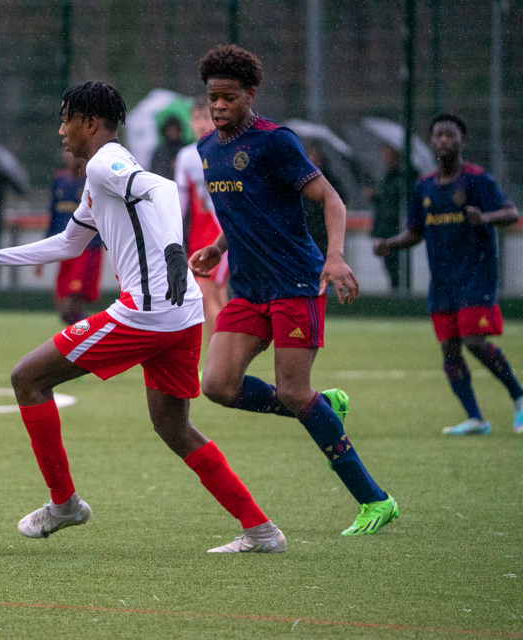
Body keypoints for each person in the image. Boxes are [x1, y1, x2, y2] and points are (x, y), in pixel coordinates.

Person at [0, 80, 287, 554]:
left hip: (145, 312)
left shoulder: (106, 162)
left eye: (66, 120)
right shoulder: (98, 179)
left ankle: (64, 504)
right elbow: (68, 243)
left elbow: (160, 191)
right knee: (174, 428)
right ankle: (261, 530)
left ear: (90, 123)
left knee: (28, 379)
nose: (61, 131)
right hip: (180, 315)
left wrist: (173, 250)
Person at [189, 45, 398, 536]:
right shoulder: (207, 149)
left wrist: (336, 255)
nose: (218, 106)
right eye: (212, 97)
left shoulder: (275, 142)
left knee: (292, 391)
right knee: (217, 385)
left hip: (295, 283)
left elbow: (331, 199)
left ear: (250, 95)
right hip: (249, 286)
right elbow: (243, 210)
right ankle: (319, 403)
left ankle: (375, 500)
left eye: (227, 97)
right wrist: (219, 247)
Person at [374, 113, 522, 435]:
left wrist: (484, 217)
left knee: (474, 340)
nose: (443, 140)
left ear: (461, 141)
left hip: (476, 276)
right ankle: (475, 418)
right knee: (450, 350)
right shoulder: (424, 186)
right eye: (438, 135)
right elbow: (415, 232)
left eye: (449, 135)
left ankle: (518, 396)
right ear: (430, 142)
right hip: (442, 282)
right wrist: (389, 244)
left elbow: (511, 213)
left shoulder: (476, 179)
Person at [173, 95, 227, 345]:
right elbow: (180, 205)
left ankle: (220, 363)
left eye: (206, 117)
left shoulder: (225, 150)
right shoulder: (186, 156)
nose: (201, 123)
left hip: (221, 234)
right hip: (198, 236)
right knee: (215, 296)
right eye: (196, 118)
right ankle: (228, 361)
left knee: (207, 297)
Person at [40, 149, 103, 326]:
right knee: (62, 307)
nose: (68, 155)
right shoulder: (59, 180)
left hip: (86, 248)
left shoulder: (92, 181)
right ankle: (91, 335)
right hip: (63, 249)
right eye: (66, 151)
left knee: (71, 304)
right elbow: (52, 215)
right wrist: (43, 250)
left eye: (71, 151)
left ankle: (93, 337)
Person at [369, 144, 404, 292]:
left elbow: (395, 202)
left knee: (395, 265)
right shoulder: (386, 177)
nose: (385, 157)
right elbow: (384, 201)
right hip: (383, 228)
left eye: (389, 154)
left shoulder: (401, 177)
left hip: (394, 228)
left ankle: (397, 293)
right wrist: (375, 197)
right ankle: (394, 290)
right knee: (388, 265)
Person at [302, 143, 348, 255]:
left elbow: (342, 199)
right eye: (311, 156)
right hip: (308, 229)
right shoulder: (302, 178)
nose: (314, 160)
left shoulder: (329, 179)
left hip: (324, 231)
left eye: (316, 156)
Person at [150, 116, 185, 180]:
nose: (173, 133)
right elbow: (156, 172)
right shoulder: (160, 152)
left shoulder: (185, 148)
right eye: (170, 130)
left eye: (175, 130)